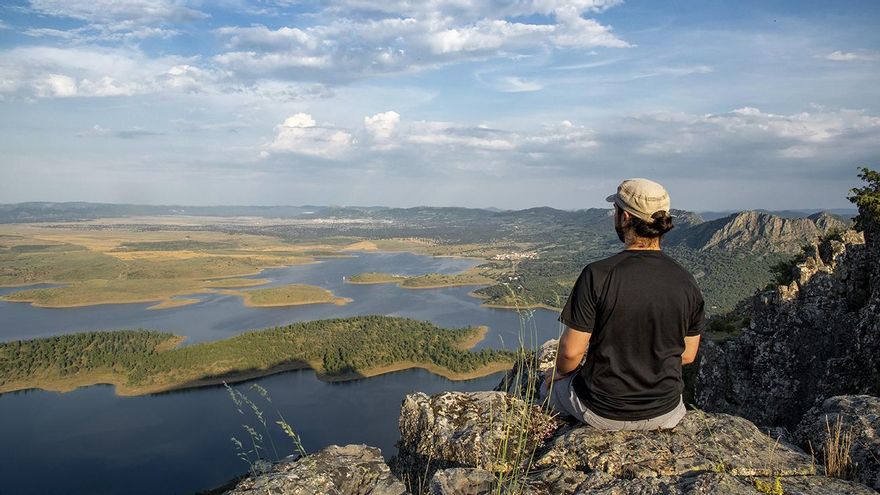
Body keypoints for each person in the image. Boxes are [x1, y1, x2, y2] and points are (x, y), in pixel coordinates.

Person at [539, 178, 704, 431]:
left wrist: (559, 374)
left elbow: (570, 353)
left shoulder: (597, 274)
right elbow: (688, 354)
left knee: (545, 388)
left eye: (615, 211)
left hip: (602, 411)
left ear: (625, 217)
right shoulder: (686, 281)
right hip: (666, 412)